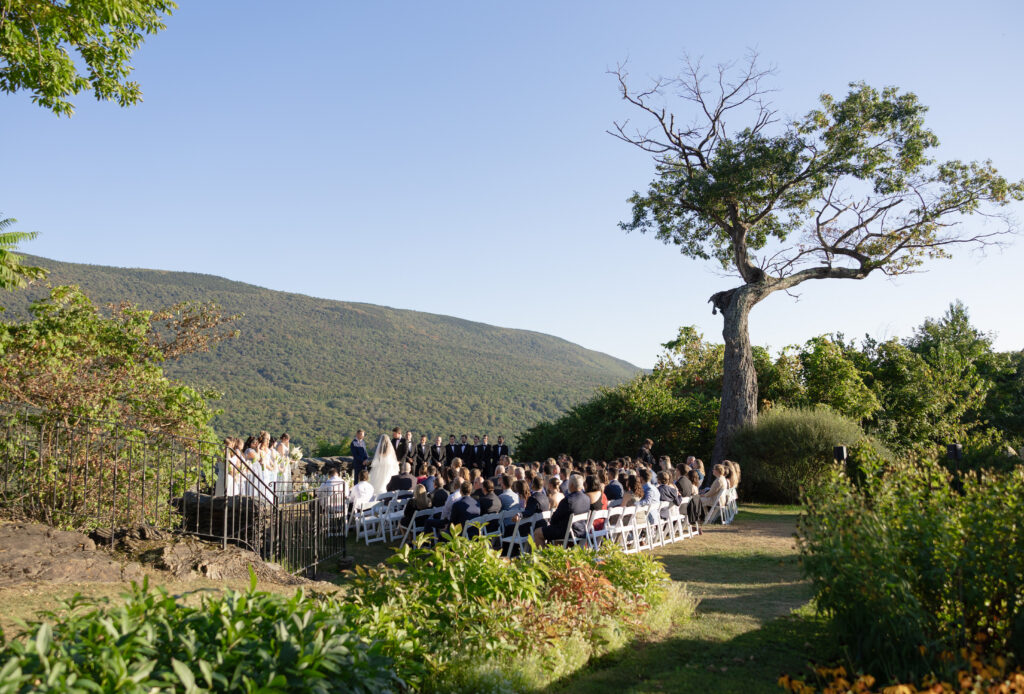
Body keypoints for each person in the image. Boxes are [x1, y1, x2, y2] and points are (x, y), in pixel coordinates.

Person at [534, 475, 589, 547]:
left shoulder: (568, 500)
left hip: (567, 531)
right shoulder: (587, 498)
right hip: (582, 530)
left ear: (571, 485)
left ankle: (542, 557)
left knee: (537, 532)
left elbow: (554, 519)